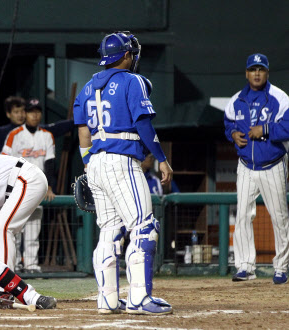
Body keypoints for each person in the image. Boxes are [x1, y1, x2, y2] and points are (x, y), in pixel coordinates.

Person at [74, 32, 173, 315]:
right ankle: (140, 298)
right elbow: (143, 124)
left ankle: (106, 299)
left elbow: (82, 130)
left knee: (109, 231)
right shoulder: (132, 81)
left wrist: (88, 163)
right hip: (122, 159)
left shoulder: (88, 85)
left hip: (95, 162)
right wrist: (162, 159)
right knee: (143, 227)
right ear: (127, 55)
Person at [224, 53, 289, 285]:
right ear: (247, 73)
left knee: (280, 218)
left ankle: (281, 268)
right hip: (246, 167)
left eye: (261, 69)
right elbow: (228, 123)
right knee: (242, 216)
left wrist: (266, 130)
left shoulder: (280, 98)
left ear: (267, 72)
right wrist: (232, 134)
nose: (257, 73)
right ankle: (245, 266)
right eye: (253, 69)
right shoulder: (236, 100)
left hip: (272, 165)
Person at [1, 99, 57, 272]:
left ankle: (31, 265)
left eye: (37, 111)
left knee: (33, 230)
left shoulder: (47, 135)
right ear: (25, 114)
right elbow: (4, 160)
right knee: (15, 230)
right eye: (31, 111)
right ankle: (15, 265)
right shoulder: (14, 134)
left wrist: (49, 187)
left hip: (38, 188)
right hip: (18, 187)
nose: (35, 115)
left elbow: (50, 163)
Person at [0, 96, 75, 154]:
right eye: (16, 112)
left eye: (23, 111)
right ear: (8, 114)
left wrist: (77, 120)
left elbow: (57, 128)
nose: (20, 115)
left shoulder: (37, 130)